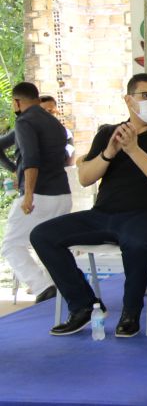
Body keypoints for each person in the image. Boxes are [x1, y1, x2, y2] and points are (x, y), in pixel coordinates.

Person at [30, 74, 147, 337]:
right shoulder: (108, 132)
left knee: (138, 243)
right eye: (146, 96)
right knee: (43, 235)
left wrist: (133, 150)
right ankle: (84, 306)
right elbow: (85, 178)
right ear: (128, 100)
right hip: (103, 214)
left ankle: (130, 313)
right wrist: (109, 152)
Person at [0, 82, 71, 303]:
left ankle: (42, 285)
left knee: (11, 245)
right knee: (52, 243)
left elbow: (31, 160)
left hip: (38, 194)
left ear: (17, 103)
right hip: (62, 195)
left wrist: (27, 192)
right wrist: (14, 169)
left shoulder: (24, 121)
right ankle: (58, 290)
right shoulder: (55, 124)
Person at [40, 95, 76, 166]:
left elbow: (69, 161)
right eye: (42, 111)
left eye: (50, 111)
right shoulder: (28, 132)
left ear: (56, 112)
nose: (46, 114)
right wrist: (14, 169)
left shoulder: (66, 133)